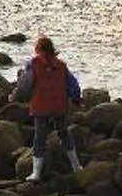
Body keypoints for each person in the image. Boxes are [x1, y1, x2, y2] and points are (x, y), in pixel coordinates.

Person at [13, 36, 82, 180]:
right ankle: (76, 167)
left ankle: (36, 173)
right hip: (59, 105)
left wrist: (14, 96)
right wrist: (76, 98)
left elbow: (24, 85)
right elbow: (73, 85)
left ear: (38, 49)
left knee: (40, 136)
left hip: (41, 106)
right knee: (64, 133)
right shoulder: (61, 66)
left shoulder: (33, 64)